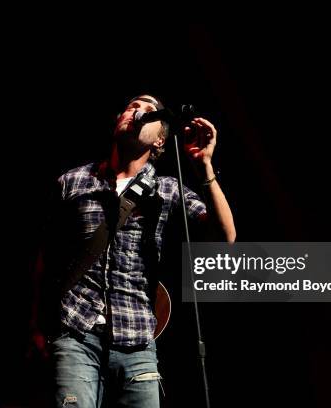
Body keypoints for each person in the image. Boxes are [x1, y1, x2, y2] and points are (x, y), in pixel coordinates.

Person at [29, 94, 236, 407]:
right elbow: (46, 258)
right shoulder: (72, 182)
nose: (138, 111)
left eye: (149, 110)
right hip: (75, 332)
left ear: (160, 141)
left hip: (137, 339)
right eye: (132, 106)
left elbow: (225, 238)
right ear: (118, 122)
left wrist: (204, 166)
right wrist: (37, 324)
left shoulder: (166, 189)